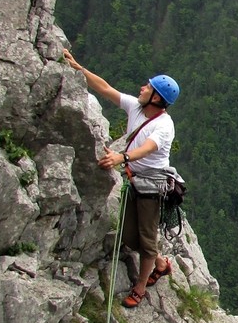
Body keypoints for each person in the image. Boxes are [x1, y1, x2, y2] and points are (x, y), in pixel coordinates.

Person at [62, 48, 180, 308]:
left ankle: (140, 287)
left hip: (151, 188)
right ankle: (161, 263)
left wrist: (121, 158)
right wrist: (77, 67)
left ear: (157, 98)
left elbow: (148, 147)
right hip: (135, 181)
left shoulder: (163, 125)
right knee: (129, 236)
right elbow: (105, 88)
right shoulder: (138, 109)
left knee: (147, 241)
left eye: (147, 87)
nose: (141, 88)